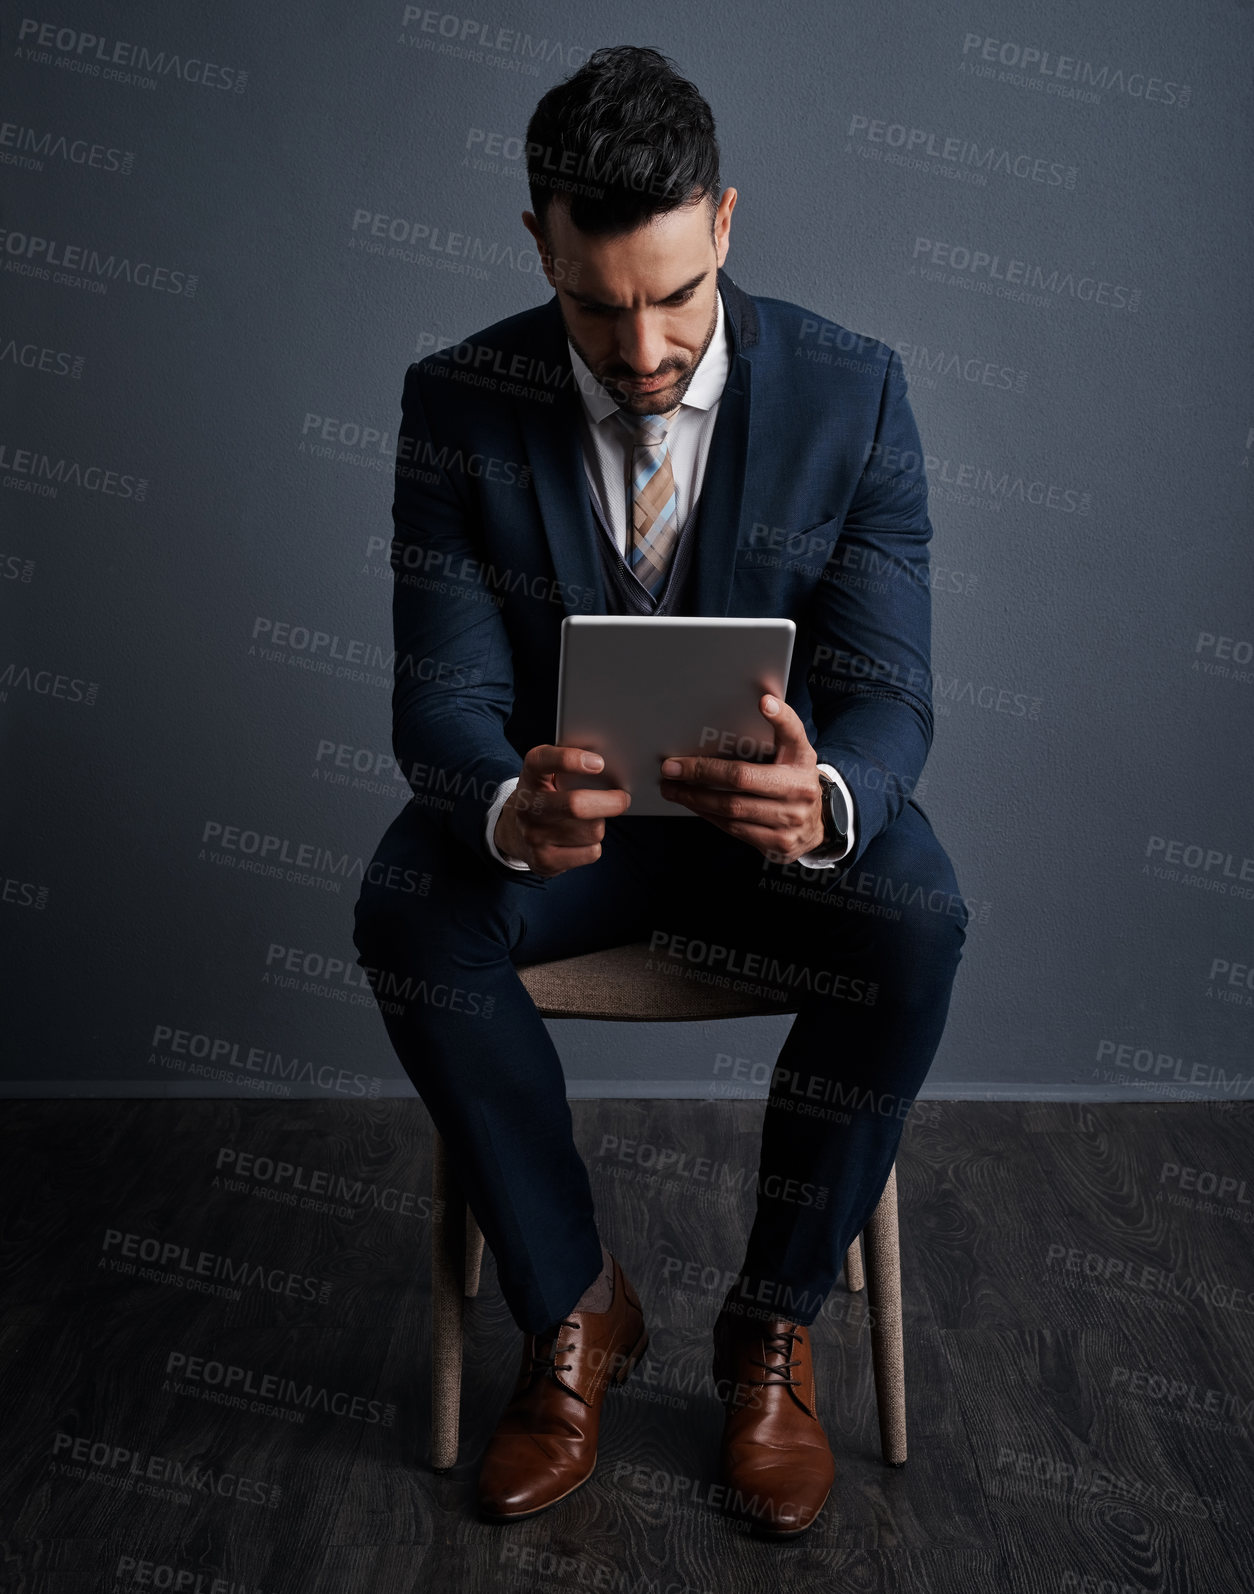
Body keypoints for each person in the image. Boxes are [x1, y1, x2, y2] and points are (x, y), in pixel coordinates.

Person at [352, 43, 969, 1538]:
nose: (640, 352)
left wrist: (822, 792)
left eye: (675, 297)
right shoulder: (456, 401)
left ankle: (769, 1326)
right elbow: (438, 697)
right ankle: (573, 1305)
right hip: (575, 848)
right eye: (594, 301)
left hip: (772, 845)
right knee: (407, 908)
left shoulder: (854, 395)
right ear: (537, 247)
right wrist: (508, 806)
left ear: (727, 225)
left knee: (920, 919)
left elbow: (891, 698)